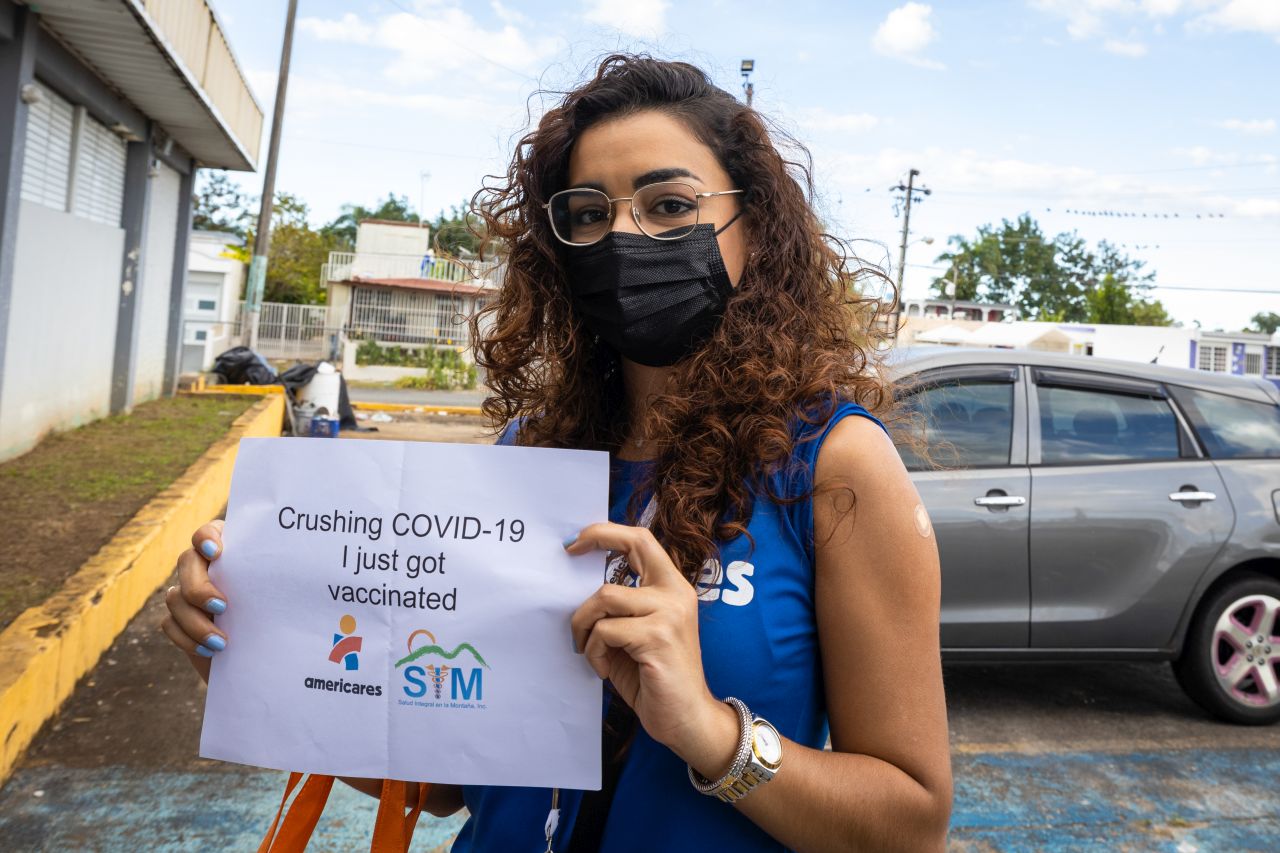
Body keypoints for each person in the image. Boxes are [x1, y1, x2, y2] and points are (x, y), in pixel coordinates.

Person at [161, 54, 952, 852]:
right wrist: (252, 656)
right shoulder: (531, 451)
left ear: (758, 223)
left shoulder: (833, 465)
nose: (623, 235)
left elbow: (911, 825)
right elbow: (442, 782)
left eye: (669, 204)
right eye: (586, 214)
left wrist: (712, 733)